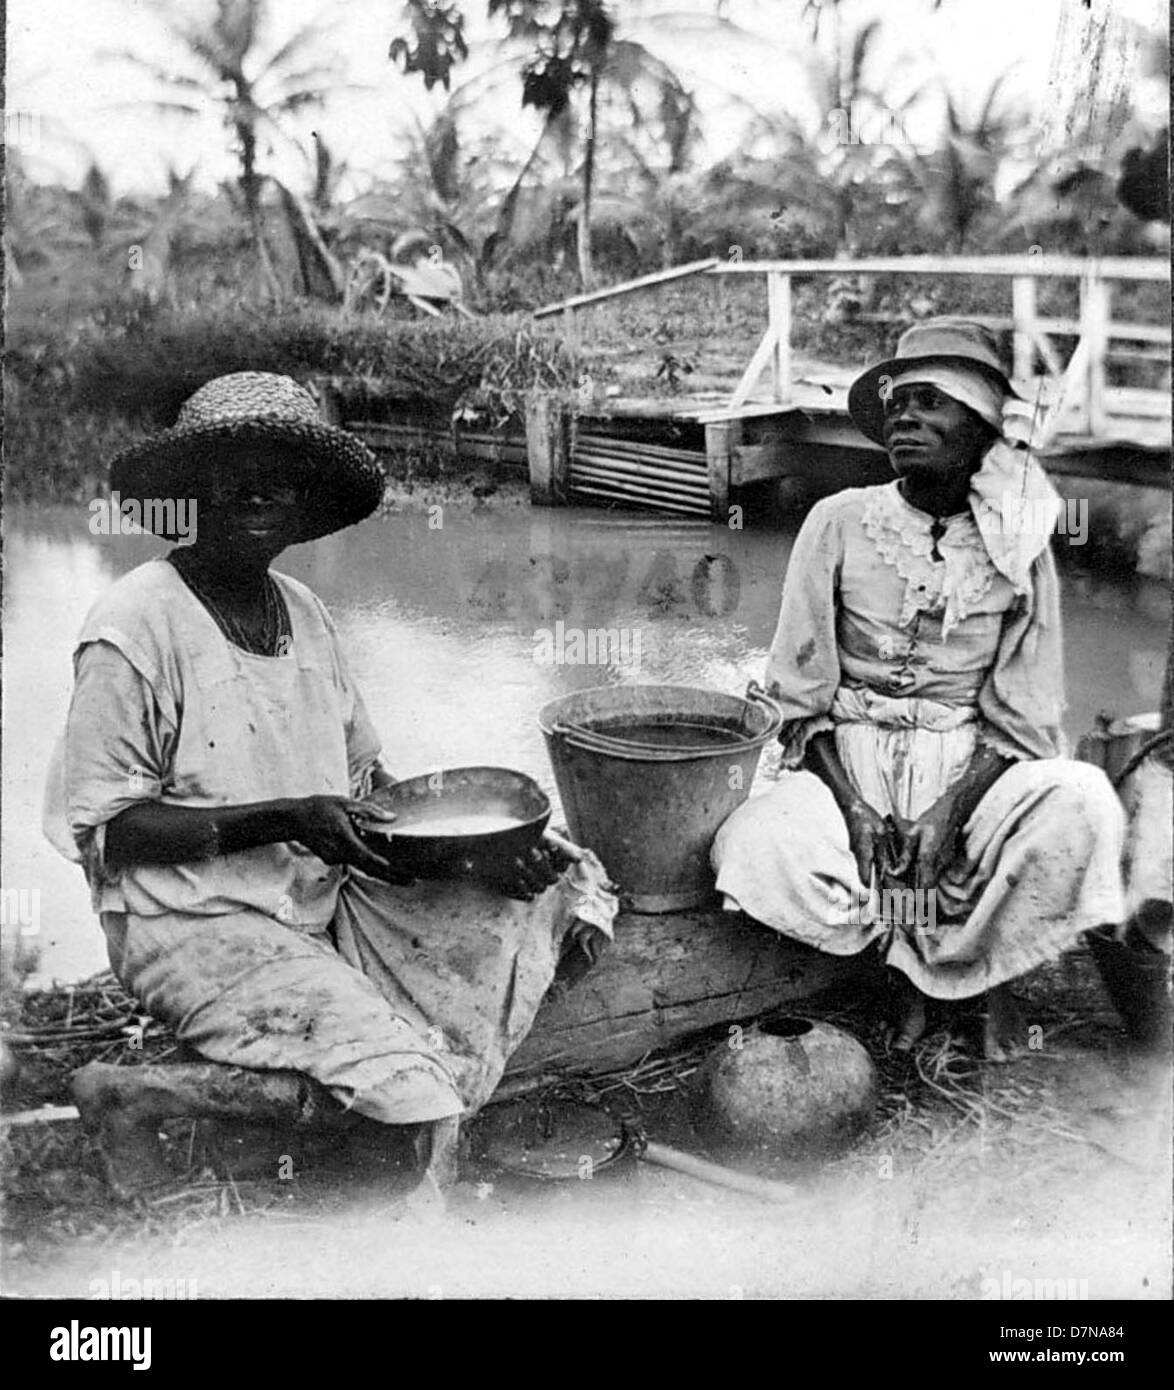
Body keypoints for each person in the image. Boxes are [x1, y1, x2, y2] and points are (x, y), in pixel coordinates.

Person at [45, 372, 614, 1200]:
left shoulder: (304, 611)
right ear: (193, 489)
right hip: (192, 920)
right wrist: (284, 818)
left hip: (319, 898)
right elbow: (108, 834)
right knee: (412, 1101)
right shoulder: (135, 625)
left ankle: (364, 1066)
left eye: (284, 469)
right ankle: (141, 1095)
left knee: (561, 881)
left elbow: (364, 790)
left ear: (307, 498)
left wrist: (470, 856)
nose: (260, 486)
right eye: (233, 465)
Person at [711, 320, 1126, 1058]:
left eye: (932, 403)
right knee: (755, 845)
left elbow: (1024, 718)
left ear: (980, 430)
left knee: (1083, 803)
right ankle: (898, 974)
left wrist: (945, 811)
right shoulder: (836, 522)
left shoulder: (1019, 547)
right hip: (844, 755)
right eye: (900, 403)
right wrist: (859, 807)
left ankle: (976, 979)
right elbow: (800, 700)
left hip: (970, 764)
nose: (906, 416)